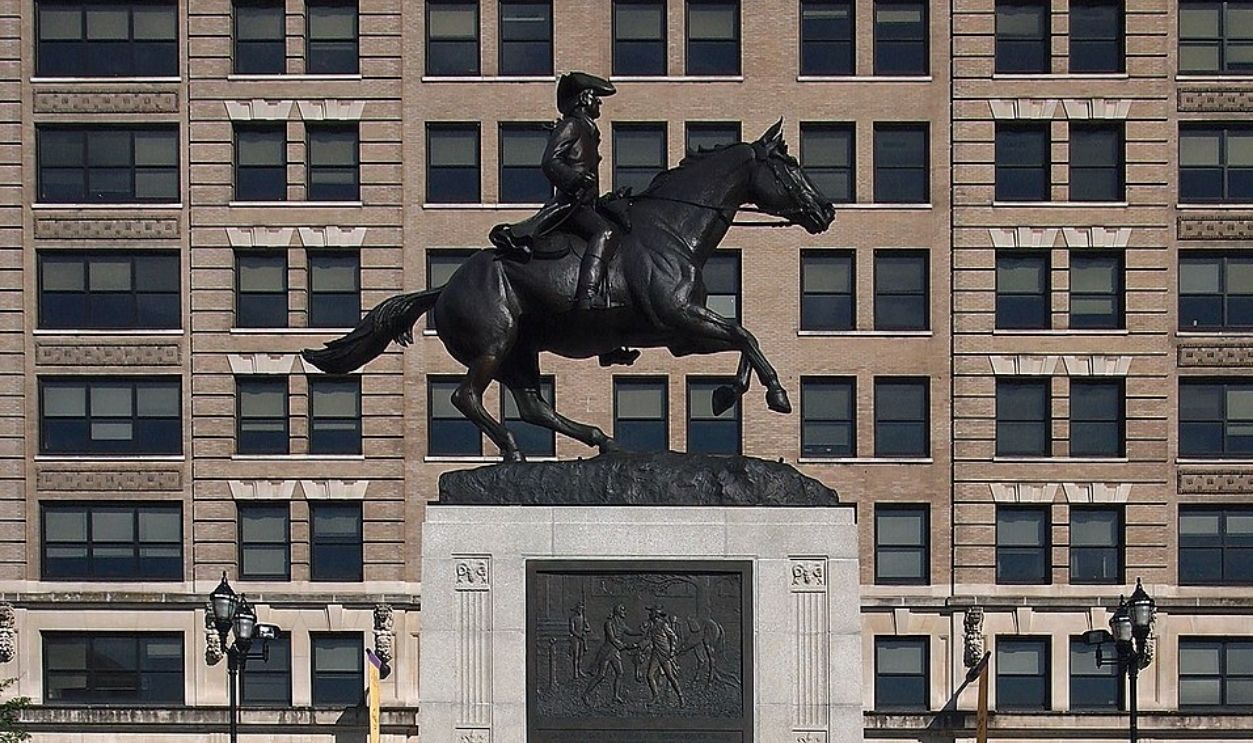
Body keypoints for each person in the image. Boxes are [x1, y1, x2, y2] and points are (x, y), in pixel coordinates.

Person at [489, 72, 640, 366]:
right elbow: (550, 162)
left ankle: (609, 339)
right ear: (584, 98)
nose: (599, 104)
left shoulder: (587, 128)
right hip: (572, 206)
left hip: (588, 204)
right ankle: (587, 300)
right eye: (596, 98)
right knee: (605, 235)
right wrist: (572, 179)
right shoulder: (572, 125)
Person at [583, 604, 638, 705]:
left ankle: (616, 696)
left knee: (620, 673)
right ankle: (586, 694)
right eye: (623, 611)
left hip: (615, 652)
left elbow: (630, 632)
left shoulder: (622, 624)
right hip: (607, 651)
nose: (625, 613)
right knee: (601, 675)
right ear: (618, 612)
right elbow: (612, 639)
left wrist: (641, 631)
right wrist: (626, 646)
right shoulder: (609, 623)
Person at [568, 601, 591, 679]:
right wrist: (579, 635)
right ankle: (575, 672)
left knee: (580, 655)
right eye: (579, 609)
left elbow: (589, 628)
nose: (580, 610)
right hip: (575, 639)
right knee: (576, 655)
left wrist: (585, 629)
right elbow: (572, 630)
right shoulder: (572, 618)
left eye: (581, 609)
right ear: (576, 609)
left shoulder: (583, 618)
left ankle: (579, 670)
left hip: (582, 639)